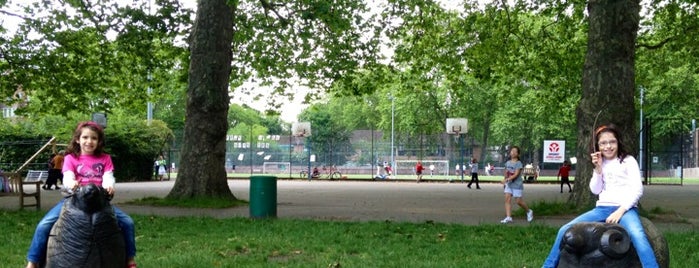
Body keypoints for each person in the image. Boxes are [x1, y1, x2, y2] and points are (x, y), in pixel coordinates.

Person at [542, 124, 658, 268]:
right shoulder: (600, 163)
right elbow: (595, 190)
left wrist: (620, 211)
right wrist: (597, 169)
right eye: (603, 143)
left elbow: (638, 189)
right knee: (565, 229)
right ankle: (548, 266)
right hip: (602, 208)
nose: (608, 146)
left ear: (618, 142)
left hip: (625, 209)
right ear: (597, 146)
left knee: (638, 235)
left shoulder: (628, 160)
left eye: (612, 142)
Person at [25, 121, 137, 268]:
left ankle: (129, 259)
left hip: (99, 202)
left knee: (128, 222)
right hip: (73, 201)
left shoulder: (105, 158)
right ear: (78, 139)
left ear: (99, 141)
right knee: (43, 225)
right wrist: (71, 183)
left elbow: (108, 176)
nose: (89, 141)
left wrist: (109, 186)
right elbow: (67, 176)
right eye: (85, 137)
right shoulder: (71, 158)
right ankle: (32, 261)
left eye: (94, 138)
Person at [500, 146, 533, 224]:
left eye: (515, 151)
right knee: (507, 200)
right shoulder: (507, 162)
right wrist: (505, 180)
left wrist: (507, 179)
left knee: (518, 201)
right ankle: (508, 217)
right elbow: (506, 172)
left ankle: (529, 211)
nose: (513, 153)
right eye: (512, 151)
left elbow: (516, 174)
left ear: (518, 154)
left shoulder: (519, 163)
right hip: (509, 184)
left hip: (517, 185)